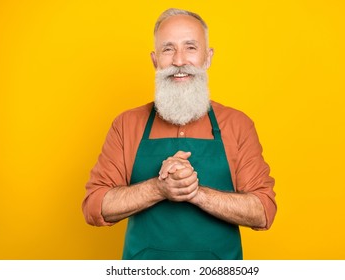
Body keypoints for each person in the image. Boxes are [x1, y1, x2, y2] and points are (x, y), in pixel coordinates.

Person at [82, 8, 277, 260]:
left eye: (190, 48)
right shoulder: (127, 124)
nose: (179, 61)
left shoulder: (238, 124)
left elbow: (263, 211)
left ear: (208, 57)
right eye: (168, 49)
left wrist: (194, 192)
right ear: (155, 60)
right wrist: (158, 188)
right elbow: (95, 206)